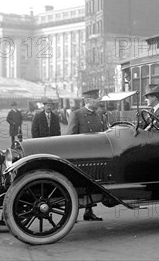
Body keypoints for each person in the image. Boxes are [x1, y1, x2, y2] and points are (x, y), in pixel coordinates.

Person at [67, 89, 105, 221]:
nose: (99, 101)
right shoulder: (76, 114)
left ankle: (89, 211)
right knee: (78, 185)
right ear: (87, 101)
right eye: (96, 99)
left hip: (96, 155)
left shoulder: (98, 114)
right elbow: (70, 137)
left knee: (92, 185)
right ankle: (72, 216)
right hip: (81, 155)